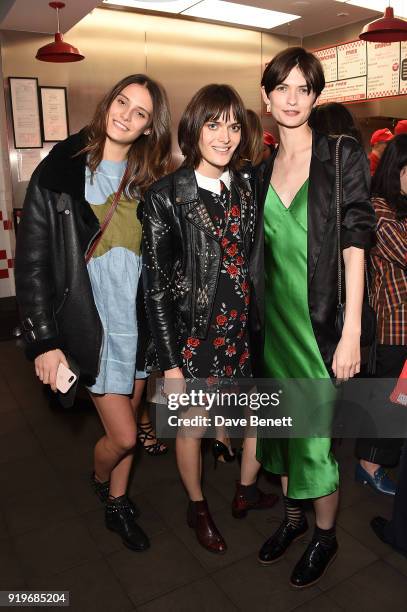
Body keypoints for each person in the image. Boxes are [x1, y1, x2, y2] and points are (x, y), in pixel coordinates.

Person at [15, 74, 172, 552]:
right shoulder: (62, 168)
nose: (125, 114)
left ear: (149, 127)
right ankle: (100, 479)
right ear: (108, 102)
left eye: (140, 112)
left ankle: (118, 502)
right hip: (92, 322)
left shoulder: (150, 182)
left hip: (138, 321)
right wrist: (44, 340)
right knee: (124, 436)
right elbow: (34, 259)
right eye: (122, 102)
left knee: (133, 413)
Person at [253, 47, 375, 587]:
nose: (293, 98)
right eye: (283, 87)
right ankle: (294, 521)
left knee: (316, 440)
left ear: (316, 96)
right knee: (283, 434)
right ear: (267, 96)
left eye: (304, 88)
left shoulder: (341, 153)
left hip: (321, 327)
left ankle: (325, 536)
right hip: (272, 326)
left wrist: (350, 334)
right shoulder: (259, 171)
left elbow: (356, 241)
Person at [142, 83, 277, 554]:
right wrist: (172, 365)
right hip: (194, 338)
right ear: (193, 129)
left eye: (234, 125)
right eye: (214, 124)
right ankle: (197, 506)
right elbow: (155, 287)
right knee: (192, 426)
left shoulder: (245, 185)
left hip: (242, 333)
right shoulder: (166, 197)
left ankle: (244, 489)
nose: (225, 136)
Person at [356, 134, 407, 495]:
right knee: (390, 401)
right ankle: (368, 465)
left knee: (398, 401)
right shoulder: (379, 212)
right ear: (398, 170)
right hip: (393, 328)